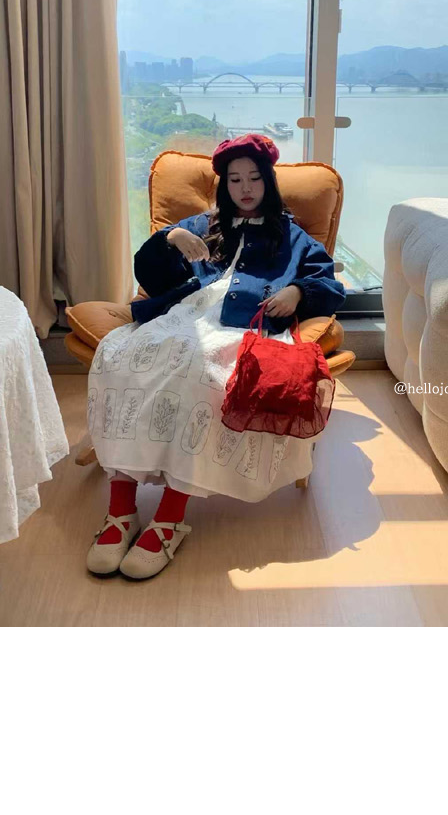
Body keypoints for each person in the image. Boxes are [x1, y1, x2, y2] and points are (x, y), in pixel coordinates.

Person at [84, 131, 344, 579]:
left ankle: (169, 518)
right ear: (224, 185)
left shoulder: (293, 235)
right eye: (235, 180)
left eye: (254, 178)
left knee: (201, 378)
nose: (245, 188)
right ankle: (121, 510)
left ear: (268, 182)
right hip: (184, 314)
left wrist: (299, 291)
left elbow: (330, 285)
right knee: (120, 358)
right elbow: (151, 274)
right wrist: (171, 238)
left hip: (244, 327)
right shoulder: (204, 224)